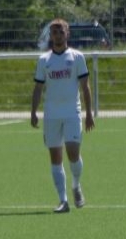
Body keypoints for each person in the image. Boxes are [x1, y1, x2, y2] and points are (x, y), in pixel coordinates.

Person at [31, 18, 95, 214]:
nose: (57, 35)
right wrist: (33, 112)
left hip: (72, 113)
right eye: (54, 32)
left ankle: (76, 185)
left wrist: (89, 113)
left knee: (73, 154)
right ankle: (63, 200)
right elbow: (38, 88)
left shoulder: (77, 57)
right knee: (55, 158)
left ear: (67, 34)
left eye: (61, 32)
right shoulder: (44, 60)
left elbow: (85, 87)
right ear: (50, 36)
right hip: (51, 115)